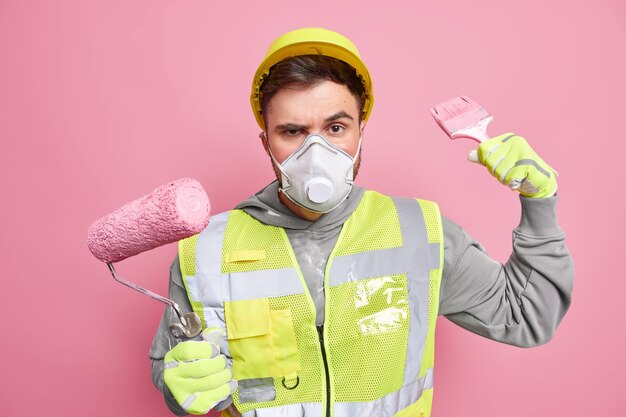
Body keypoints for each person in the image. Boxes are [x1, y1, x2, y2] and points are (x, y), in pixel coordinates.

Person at [149, 27, 574, 417]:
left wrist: (539, 202)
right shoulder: (208, 250)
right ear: (266, 141)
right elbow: (179, 371)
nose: (316, 152)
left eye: (335, 127)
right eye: (293, 132)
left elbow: (526, 316)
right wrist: (180, 388)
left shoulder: (420, 233)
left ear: (360, 132)